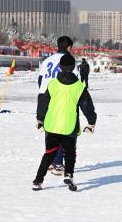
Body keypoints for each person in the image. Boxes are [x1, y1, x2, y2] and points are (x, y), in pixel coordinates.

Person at [33, 54, 96, 191]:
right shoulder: (79, 87)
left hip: (52, 124)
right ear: (74, 68)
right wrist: (91, 123)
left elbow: (43, 103)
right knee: (70, 153)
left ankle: (37, 181)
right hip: (69, 125)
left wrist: (39, 119)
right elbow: (87, 106)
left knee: (49, 153)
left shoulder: (53, 84)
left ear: (60, 67)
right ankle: (68, 174)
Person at [37, 36, 74, 175]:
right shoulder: (68, 60)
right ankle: (57, 163)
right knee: (61, 129)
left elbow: (40, 80)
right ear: (69, 47)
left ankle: (51, 161)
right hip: (59, 96)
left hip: (43, 95)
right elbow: (73, 80)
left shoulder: (47, 60)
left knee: (50, 130)